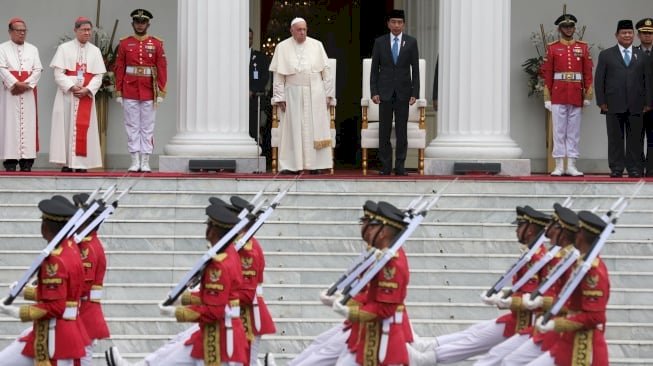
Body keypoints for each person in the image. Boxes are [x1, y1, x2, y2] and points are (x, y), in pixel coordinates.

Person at [105, 202, 248, 366]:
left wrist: (176, 312)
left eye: (209, 225)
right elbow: (214, 298)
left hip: (220, 337)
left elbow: (213, 310)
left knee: (172, 357)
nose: (207, 230)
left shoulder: (219, 265)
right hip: (219, 331)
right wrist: (184, 299)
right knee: (170, 354)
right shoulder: (229, 255)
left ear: (214, 230)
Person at [407, 206, 550, 365]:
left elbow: (531, 295)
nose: (516, 230)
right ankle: (428, 347)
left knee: (487, 350)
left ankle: (425, 358)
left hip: (524, 322)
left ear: (530, 230)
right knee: (475, 332)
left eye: (520, 226)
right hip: (517, 318)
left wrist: (507, 300)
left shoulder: (537, 258)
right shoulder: (531, 254)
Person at [476, 203, 579, 366]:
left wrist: (519, 301)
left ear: (563, 231)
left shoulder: (569, 262)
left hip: (555, 327)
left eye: (553, 226)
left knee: (504, 359)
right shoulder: (559, 258)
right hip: (544, 323)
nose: (548, 231)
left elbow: (570, 302)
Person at [0, 196, 88, 365]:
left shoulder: (54, 260)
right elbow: (61, 293)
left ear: (45, 227)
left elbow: (55, 306)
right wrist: (26, 292)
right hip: (64, 329)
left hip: (54, 335)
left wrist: (16, 312)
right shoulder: (71, 249)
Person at [332, 201, 412, 366]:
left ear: (383, 233)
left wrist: (349, 311)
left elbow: (385, 308)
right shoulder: (384, 256)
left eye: (373, 226)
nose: (368, 230)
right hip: (372, 335)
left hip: (384, 338)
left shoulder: (391, 263)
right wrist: (346, 300)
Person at [529, 210, 610, 366]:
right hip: (568, 340)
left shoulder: (593, 271)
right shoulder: (580, 263)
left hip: (583, 347)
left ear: (581, 234)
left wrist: (556, 323)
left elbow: (595, 317)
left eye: (577, 230)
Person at [269, 17, 334, 174]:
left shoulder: (317, 45)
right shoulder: (282, 47)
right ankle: (292, 166)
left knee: (313, 129)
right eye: (299, 30)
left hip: (315, 93)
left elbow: (327, 72)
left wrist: (328, 94)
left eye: (304, 29)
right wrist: (279, 97)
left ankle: (316, 166)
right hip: (292, 93)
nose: (302, 32)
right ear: (291, 31)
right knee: (293, 130)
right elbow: (278, 76)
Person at [595, 19, 653, 178]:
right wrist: (601, 101)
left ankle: (634, 168)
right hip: (613, 103)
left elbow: (647, 80)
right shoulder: (606, 55)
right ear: (616, 35)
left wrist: (648, 102)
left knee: (636, 139)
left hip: (637, 104)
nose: (627, 35)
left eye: (629, 33)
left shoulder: (642, 56)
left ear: (634, 35)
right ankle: (616, 168)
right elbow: (599, 79)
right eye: (623, 33)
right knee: (615, 138)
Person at [540, 12, 593, 177]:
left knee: (574, 131)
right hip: (558, 93)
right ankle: (558, 165)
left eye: (571, 26)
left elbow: (587, 72)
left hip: (576, 93)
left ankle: (571, 164)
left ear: (574, 28)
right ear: (560, 28)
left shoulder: (582, 47)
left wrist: (588, 94)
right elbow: (547, 73)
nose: (568, 29)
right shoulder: (553, 47)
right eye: (565, 26)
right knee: (559, 131)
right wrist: (547, 97)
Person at [49, 17, 105, 173]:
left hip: (86, 95)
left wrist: (87, 90)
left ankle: (82, 163)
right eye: (83, 30)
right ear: (75, 30)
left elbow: (98, 76)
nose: (87, 33)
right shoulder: (64, 48)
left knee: (85, 128)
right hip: (67, 96)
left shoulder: (95, 51)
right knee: (65, 127)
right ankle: (66, 163)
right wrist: (72, 87)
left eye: (89, 30)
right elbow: (58, 74)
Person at [114, 9, 167, 173]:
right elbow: (119, 68)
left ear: (148, 24)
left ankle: (145, 160)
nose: (140, 25)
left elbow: (162, 68)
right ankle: (134, 159)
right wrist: (118, 91)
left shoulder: (157, 44)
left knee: (148, 126)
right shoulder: (124, 43)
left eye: (143, 22)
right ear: (132, 24)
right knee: (131, 126)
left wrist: (161, 90)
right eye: (137, 22)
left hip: (149, 90)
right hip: (129, 89)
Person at [370, 9, 420, 176]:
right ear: (388, 24)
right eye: (394, 22)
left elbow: (416, 70)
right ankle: (385, 167)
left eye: (400, 22)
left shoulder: (411, 42)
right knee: (384, 131)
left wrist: (415, 92)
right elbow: (374, 70)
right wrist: (374, 91)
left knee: (401, 131)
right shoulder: (380, 42)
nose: (397, 25)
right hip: (384, 93)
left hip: (403, 93)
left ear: (403, 24)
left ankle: (400, 166)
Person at [72, 193, 111, 366]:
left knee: (80, 359)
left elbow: (81, 287)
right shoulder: (83, 244)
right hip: (82, 311)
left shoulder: (88, 249)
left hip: (84, 312)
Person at [0, 17, 42, 172]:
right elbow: (2, 68)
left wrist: (26, 85)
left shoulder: (33, 49)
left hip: (28, 93)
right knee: (9, 124)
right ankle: (10, 161)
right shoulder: (2, 48)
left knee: (29, 125)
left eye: (24, 30)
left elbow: (38, 69)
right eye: (18, 30)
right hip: (9, 92)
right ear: (10, 32)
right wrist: (15, 83)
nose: (22, 33)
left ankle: (27, 161)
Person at [635, 18, 653, 176]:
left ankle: (652, 169)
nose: (647, 36)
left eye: (650, 33)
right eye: (644, 33)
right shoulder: (632, 53)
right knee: (637, 138)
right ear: (638, 35)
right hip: (637, 104)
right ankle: (638, 169)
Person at [249, 28, 270, 144]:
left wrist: (252, 91)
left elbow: (264, 77)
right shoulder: (233, 57)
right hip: (235, 101)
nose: (248, 41)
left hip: (253, 98)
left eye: (250, 38)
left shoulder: (260, 57)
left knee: (253, 128)